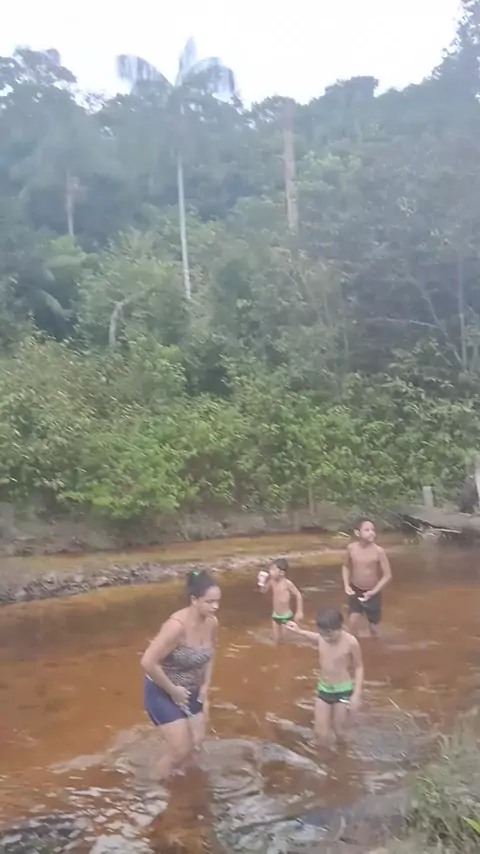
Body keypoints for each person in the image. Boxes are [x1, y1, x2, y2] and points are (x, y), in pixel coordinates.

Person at [141, 569, 220, 778]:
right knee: (180, 751)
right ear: (194, 600)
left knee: (196, 744)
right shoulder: (176, 627)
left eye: (217, 601)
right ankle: (152, 785)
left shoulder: (212, 622)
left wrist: (206, 686)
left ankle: (183, 783)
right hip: (163, 690)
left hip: (193, 689)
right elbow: (147, 662)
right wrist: (173, 691)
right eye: (210, 602)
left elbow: (212, 652)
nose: (215, 606)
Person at [286, 608, 363, 745]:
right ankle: (323, 756)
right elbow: (314, 636)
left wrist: (356, 695)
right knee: (320, 735)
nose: (326, 638)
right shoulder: (322, 637)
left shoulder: (351, 642)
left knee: (340, 732)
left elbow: (358, 667)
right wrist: (298, 631)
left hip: (343, 691)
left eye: (329, 634)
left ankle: (343, 754)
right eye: (322, 634)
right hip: (324, 689)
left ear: (340, 627)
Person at [342, 517, 392, 637]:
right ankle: (353, 645)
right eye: (367, 530)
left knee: (374, 628)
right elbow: (345, 566)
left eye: (373, 530)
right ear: (357, 533)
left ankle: (374, 646)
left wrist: (373, 592)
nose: (371, 533)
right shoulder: (351, 548)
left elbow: (388, 575)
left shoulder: (379, 551)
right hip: (355, 589)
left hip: (373, 592)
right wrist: (346, 585)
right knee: (352, 622)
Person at [258, 558, 303, 642]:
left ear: (282, 573)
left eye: (273, 570)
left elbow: (298, 595)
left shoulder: (287, 583)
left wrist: (299, 611)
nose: (270, 572)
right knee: (277, 639)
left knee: (287, 639)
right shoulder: (271, 581)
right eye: (270, 569)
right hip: (275, 615)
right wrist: (262, 583)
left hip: (286, 616)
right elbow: (263, 591)